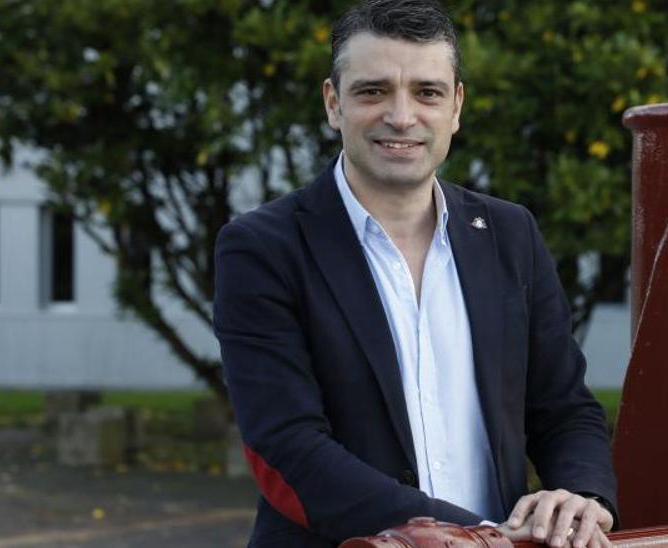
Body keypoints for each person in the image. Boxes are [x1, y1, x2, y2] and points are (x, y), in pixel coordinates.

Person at [213, 1, 618, 546]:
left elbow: (564, 409)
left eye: (427, 92)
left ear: (456, 106)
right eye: (372, 91)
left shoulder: (509, 233)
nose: (401, 117)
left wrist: (581, 497)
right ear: (334, 103)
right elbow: (285, 446)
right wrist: (469, 534)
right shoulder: (263, 248)